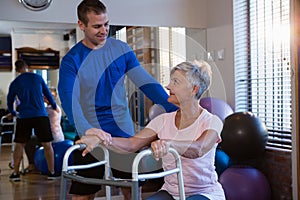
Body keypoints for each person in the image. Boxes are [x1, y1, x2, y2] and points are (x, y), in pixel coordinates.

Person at [57, 0, 177, 199]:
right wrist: (86, 129)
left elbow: (146, 83)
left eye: (106, 24)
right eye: (96, 26)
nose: (104, 30)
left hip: (121, 128)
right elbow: (68, 98)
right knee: (83, 192)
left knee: (131, 188)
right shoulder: (72, 60)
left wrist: (174, 109)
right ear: (81, 25)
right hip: (90, 129)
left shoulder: (121, 50)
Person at [77, 60, 226, 200]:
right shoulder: (163, 120)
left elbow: (199, 149)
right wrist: (103, 139)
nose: (168, 86)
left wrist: (169, 144)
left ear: (194, 89)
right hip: (171, 191)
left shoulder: (212, 121)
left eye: (176, 82)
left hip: (205, 192)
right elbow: (131, 144)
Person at [6, 60, 60, 181]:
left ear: (17, 70)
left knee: (20, 144)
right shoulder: (38, 78)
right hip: (40, 115)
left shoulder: (15, 82)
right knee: (47, 144)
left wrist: (13, 112)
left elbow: (10, 100)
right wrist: (54, 105)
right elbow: (48, 94)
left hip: (24, 116)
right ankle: (52, 173)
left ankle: (15, 174)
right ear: (27, 67)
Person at [24, 87, 64, 173]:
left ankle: (32, 165)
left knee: (29, 141)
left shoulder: (50, 109)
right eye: (45, 96)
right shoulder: (54, 107)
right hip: (55, 136)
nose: (46, 97)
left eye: (50, 96)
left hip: (53, 137)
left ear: (55, 97)